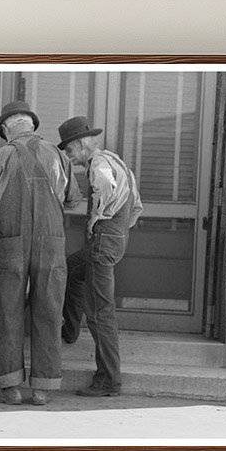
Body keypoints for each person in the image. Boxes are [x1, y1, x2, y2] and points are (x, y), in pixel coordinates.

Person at [0, 101, 81, 406]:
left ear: (6, 128)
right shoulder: (58, 155)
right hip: (51, 243)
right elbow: (73, 199)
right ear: (31, 125)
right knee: (49, 311)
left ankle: (10, 388)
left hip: (11, 243)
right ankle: (42, 389)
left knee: (9, 312)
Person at [58, 116, 143, 397]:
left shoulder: (99, 164)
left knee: (100, 313)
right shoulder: (117, 161)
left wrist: (99, 216)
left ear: (81, 144)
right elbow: (136, 206)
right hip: (115, 240)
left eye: (69, 149)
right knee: (71, 270)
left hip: (103, 242)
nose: (68, 155)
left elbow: (105, 185)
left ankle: (108, 379)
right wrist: (117, 228)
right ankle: (69, 330)